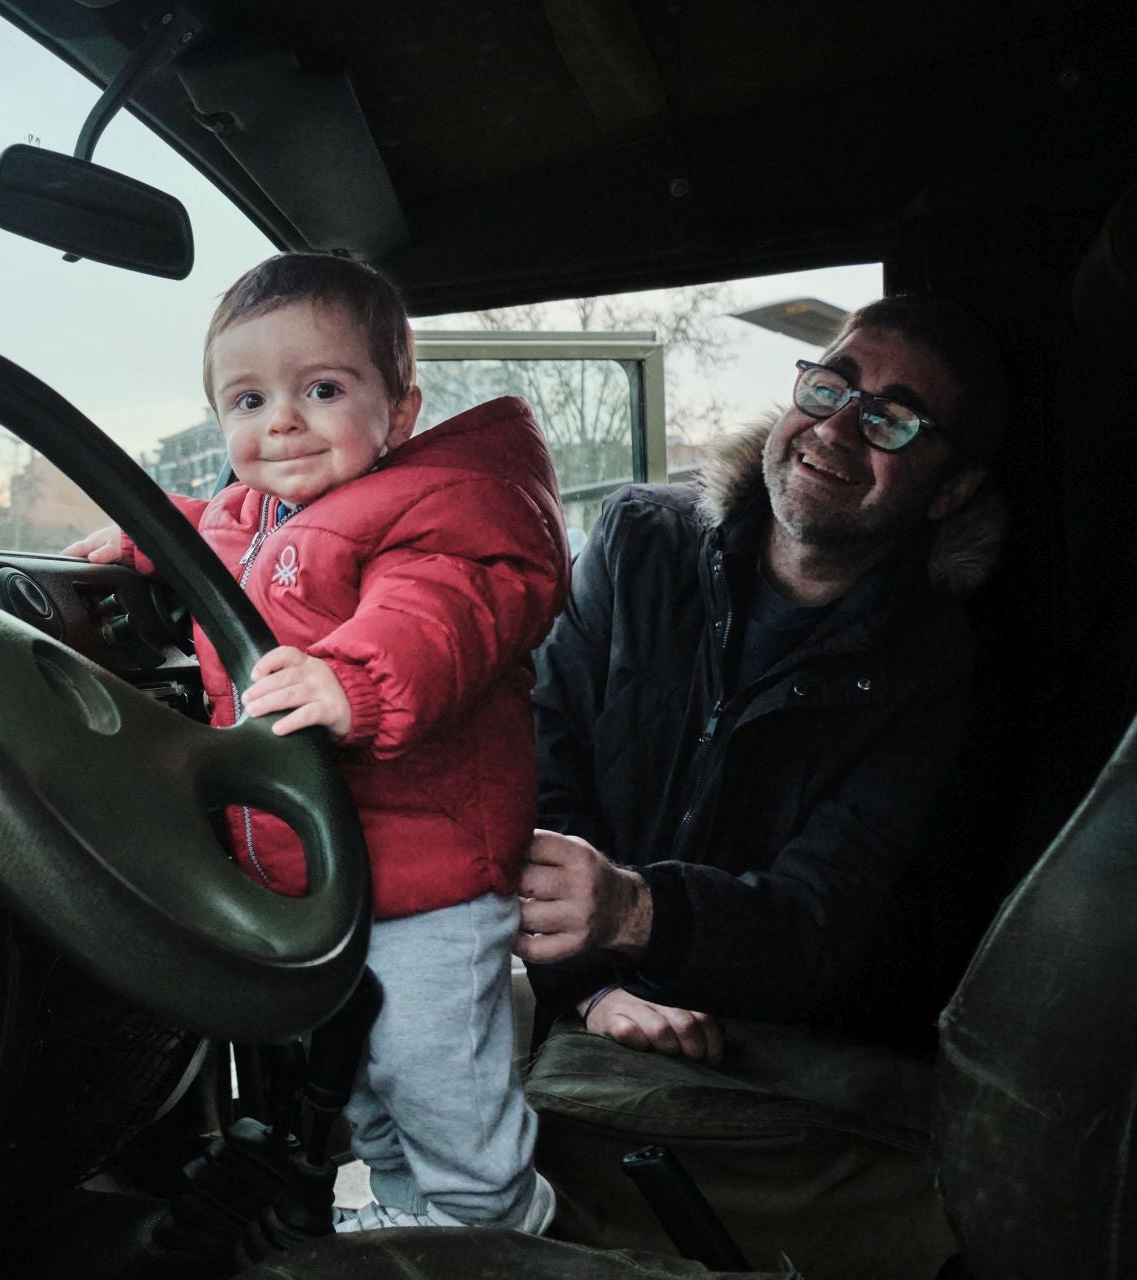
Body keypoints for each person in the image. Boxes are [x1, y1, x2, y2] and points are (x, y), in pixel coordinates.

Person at [65, 253, 570, 1233]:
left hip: (428, 887)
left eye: (322, 389)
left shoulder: (441, 514)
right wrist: (138, 537)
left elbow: (445, 614)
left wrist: (353, 678)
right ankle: (410, 1212)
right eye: (247, 399)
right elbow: (214, 534)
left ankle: (504, 1229)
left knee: (435, 1078)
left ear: (402, 409)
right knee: (365, 1089)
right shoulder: (261, 512)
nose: (281, 421)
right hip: (328, 887)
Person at [516, 296, 1010, 1061]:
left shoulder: (928, 673)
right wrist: (592, 988)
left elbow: (825, 922)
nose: (836, 429)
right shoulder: (640, 541)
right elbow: (539, 766)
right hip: (577, 981)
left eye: (891, 420)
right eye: (827, 387)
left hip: (754, 1044)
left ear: (950, 489)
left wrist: (634, 912)